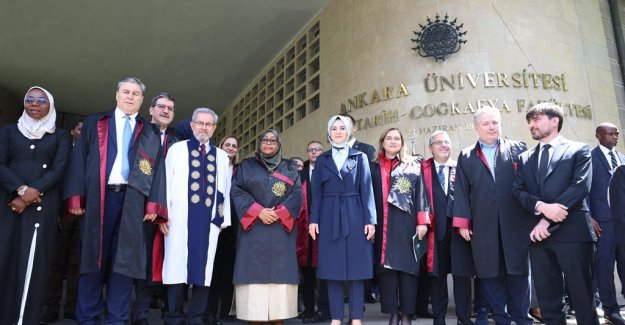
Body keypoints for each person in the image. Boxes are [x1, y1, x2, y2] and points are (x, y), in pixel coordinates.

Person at [64, 77, 167, 324]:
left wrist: (154, 205)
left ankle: (116, 319)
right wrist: (76, 197)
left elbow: (159, 171)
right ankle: (88, 317)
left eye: (135, 94)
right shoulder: (95, 123)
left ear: (142, 100)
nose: (130, 96)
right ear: (117, 95)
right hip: (99, 198)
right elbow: (79, 160)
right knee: (93, 259)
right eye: (125, 92)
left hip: (134, 202)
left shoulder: (150, 131)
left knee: (124, 263)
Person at [512, 103, 599, 324]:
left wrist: (546, 220)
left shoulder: (579, 150)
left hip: (573, 235)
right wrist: (542, 208)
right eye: (529, 121)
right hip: (539, 240)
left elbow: (580, 187)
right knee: (548, 301)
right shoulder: (525, 158)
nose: (531, 125)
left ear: (554, 121)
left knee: (583, 299)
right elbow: (518, 191)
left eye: (537, 119)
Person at [453, 106, 533, 325]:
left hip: (515, 223)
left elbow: (529, 184)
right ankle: (501, 319)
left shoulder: (518, 148)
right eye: (486, 123)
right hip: (483, 225)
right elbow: (461, 190)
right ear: (476, 127)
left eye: (495, 122)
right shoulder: (466, 155)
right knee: (490, 273)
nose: (491, 127)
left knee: (518, 273)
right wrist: (462, 222)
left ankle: (522, 318)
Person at [0, 86, 71, 325]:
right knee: (4, 257)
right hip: (9, 204)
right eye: (30, 99)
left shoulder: (59, 136)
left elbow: (58, 169)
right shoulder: (9, 131)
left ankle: (23, 319)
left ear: (49, 105)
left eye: (41, 100)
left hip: (42, 207)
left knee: (31, 265)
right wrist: (20, 190)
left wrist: (31, 193)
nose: (34, 103)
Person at [158, 107, 231, 325]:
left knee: (204, 269)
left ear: (214, 128)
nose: (204, 127)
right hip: (178, 219)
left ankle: (196, 316)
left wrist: (223, 220)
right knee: (176, 266)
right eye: (200, 123)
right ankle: (174, 315)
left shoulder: (222, 156)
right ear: (192, 125)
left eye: (209, 124)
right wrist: (163, 215)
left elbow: (224, 190)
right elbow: (165, 185)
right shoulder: (177, 150)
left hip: (209, 221)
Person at [309, 115, 376, 325]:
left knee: (357, 269)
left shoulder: (360, 157)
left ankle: (356, 318)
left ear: (349, 131)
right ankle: (336, 318)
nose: (338, 131)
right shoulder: (322, 159)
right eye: (334, 128)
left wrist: (370, 220)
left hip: (355, 214)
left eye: (342, 128)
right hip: (329, 217)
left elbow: (367, 190)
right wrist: (313, 220)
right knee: (332, 269)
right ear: (329, 132)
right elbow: (316, 193)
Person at [231, 129, 302, 324]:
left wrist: (278, 214)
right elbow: (236, 191)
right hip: (253, 231)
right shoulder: (246, 166)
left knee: (280, 282)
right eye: (265, 140)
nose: (269, 143)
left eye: (273, 140)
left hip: (280, 232)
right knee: (254, 283)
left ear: (279, 144)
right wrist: (257, 211)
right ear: (259, 143)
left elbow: (296, 196)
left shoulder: (289, 168)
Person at [370, 128, 429, 325]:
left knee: (408, 272)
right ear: (382, 141)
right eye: (389, 138)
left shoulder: (412, 166)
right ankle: (393, 314)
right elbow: (367, 198)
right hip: (383, 226)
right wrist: (368, 223)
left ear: (402, 142)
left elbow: (421, 194)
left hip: (407, 225)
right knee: (386, 273)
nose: (393, 141)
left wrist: (422, 221)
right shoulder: (373, 167)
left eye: (397, 138)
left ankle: (406, 315)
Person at [132, 92, 178, 325]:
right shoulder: (137, 133)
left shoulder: (177, 143)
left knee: (156, 262)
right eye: (161, 106)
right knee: (134, 261)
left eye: (170, 108)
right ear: (150, 109)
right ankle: (128, 311)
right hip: (135, 206)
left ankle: (153, 313)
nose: (165, 111)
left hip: (165, 212)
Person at [420, 131, 475, 325]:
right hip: (435, 233)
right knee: (437, 278)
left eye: (447, 142)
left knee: (462, 276)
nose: (443, 146)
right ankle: (439, 319)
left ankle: (464, 318)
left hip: (459, 232)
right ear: (431, 148)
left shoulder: (460, 167)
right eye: (438, 143)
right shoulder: (422, 170)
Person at [41, 120, 83, 323]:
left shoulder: (95, 154)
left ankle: (72, 308)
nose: (82, 133)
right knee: (56, 263)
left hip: (84, 216)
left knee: (77, 264)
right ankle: (51, 306)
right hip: (62, 214)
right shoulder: (63, 152)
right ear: (72, 131)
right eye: (79, 129)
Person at [589, 123, 625, 325]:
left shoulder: (622, 159)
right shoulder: (590, 158)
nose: (614, 137)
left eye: (616, 134)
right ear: (598, 135)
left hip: (623, 222)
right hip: (602, 222)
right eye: (609, 134)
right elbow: (583, 189)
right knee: (604, 267)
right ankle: (611, 310)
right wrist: (589, 217)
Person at [206, 135, 240, 324]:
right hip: (212, 224)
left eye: (234, 146)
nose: (230, 148)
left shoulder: (239, 171)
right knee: (211, 271)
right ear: (220, 146)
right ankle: (209, 310)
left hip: (232, 227)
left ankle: (226, 311)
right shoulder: (212, 167)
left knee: (228, 271)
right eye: (227, 144)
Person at [296, 140, 329, 323]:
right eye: (310, 150)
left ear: (323, 152)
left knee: (324, 273)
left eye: (317, 149)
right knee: (307, 272)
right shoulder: (300, 174)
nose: (314, 152)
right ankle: (309, 309)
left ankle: (324, 310)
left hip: (325, 229)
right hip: (304, 230)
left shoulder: (329, 171)